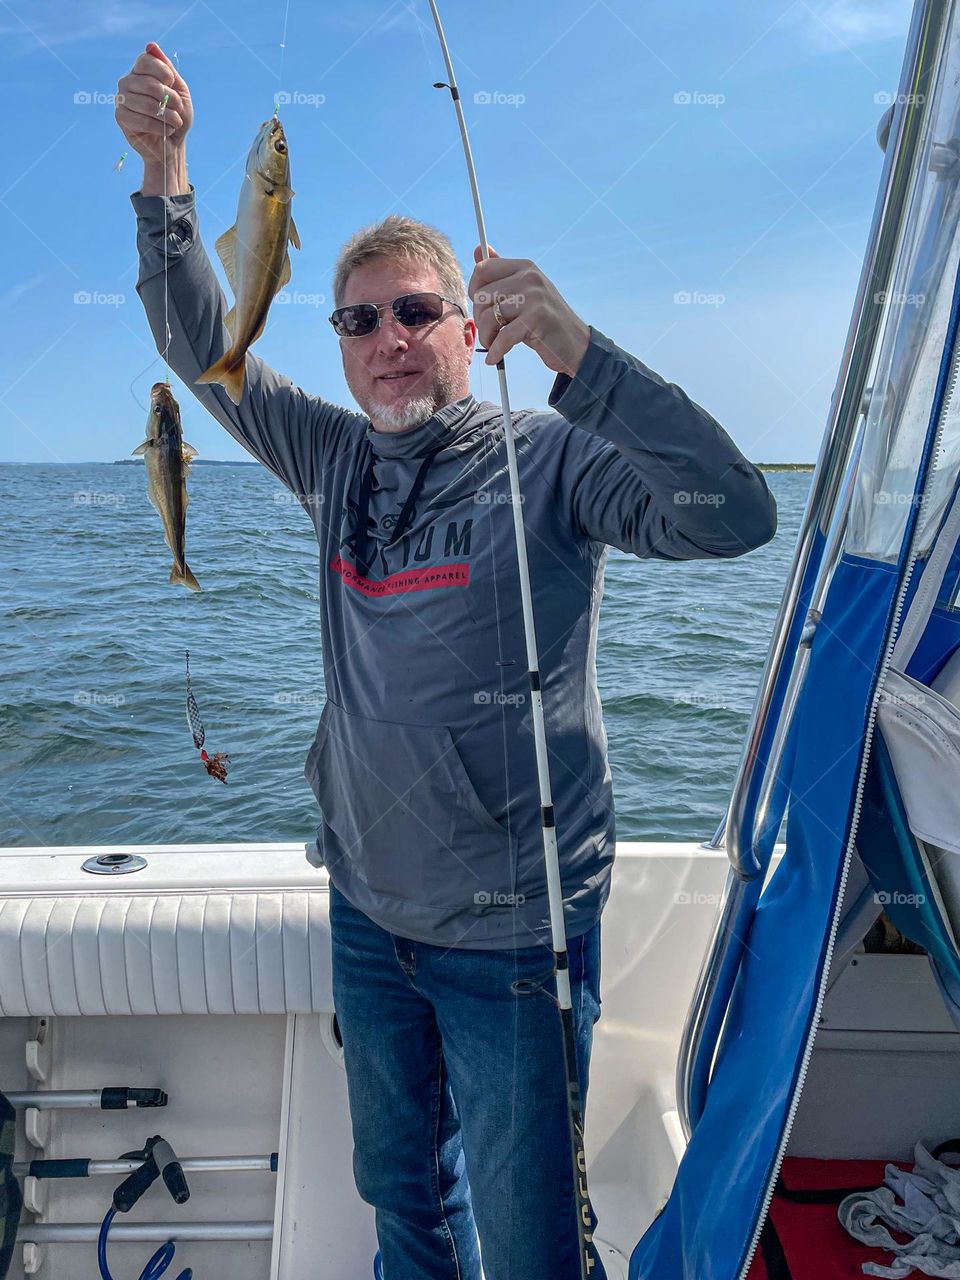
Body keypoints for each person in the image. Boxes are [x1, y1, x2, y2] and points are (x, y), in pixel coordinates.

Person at [117, 40, 777, 1280]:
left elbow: (733, 513)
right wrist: (164, 174)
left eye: (417, 311)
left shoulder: (551, 458)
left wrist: (586, 358)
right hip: (368, 910)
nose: (389, 338)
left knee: (531, 1242)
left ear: (473, 329)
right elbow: (200, 338)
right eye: (360, 319)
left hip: (515, 934)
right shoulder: (329, 457)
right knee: (406, 1203)